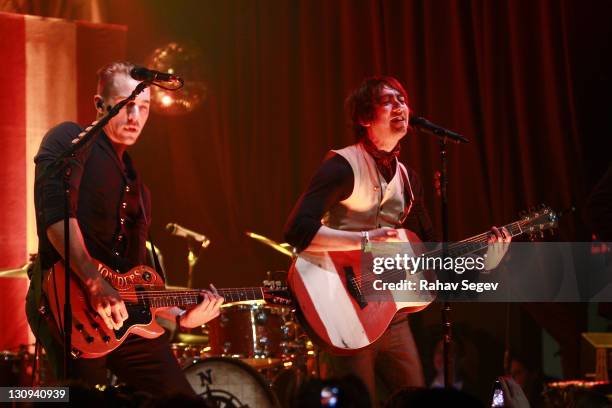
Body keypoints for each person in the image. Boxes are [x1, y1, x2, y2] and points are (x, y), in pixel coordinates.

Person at [284, 76, 511, 405]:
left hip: (392, 314)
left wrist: (486, 262)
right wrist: (364, 240)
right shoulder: (342, 166)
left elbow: (431, 255)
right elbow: (296, 233)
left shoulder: (408, 179)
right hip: (342, 304)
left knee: (416, 400)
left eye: (402, 100)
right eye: (388, 101)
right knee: (355, 401)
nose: (400, 106)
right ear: (364, 118)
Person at [25, 61, 223, 396]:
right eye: (126, 105)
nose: (135, 117)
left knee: (181, 401)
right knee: (79, 399)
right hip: (69, 303)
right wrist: (94, 282)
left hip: (123, 319)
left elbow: (136, 280)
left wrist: (181, 317)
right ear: (99, 104)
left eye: (143, 108)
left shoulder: (140, 189)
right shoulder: (70, 139)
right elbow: (55, 216)